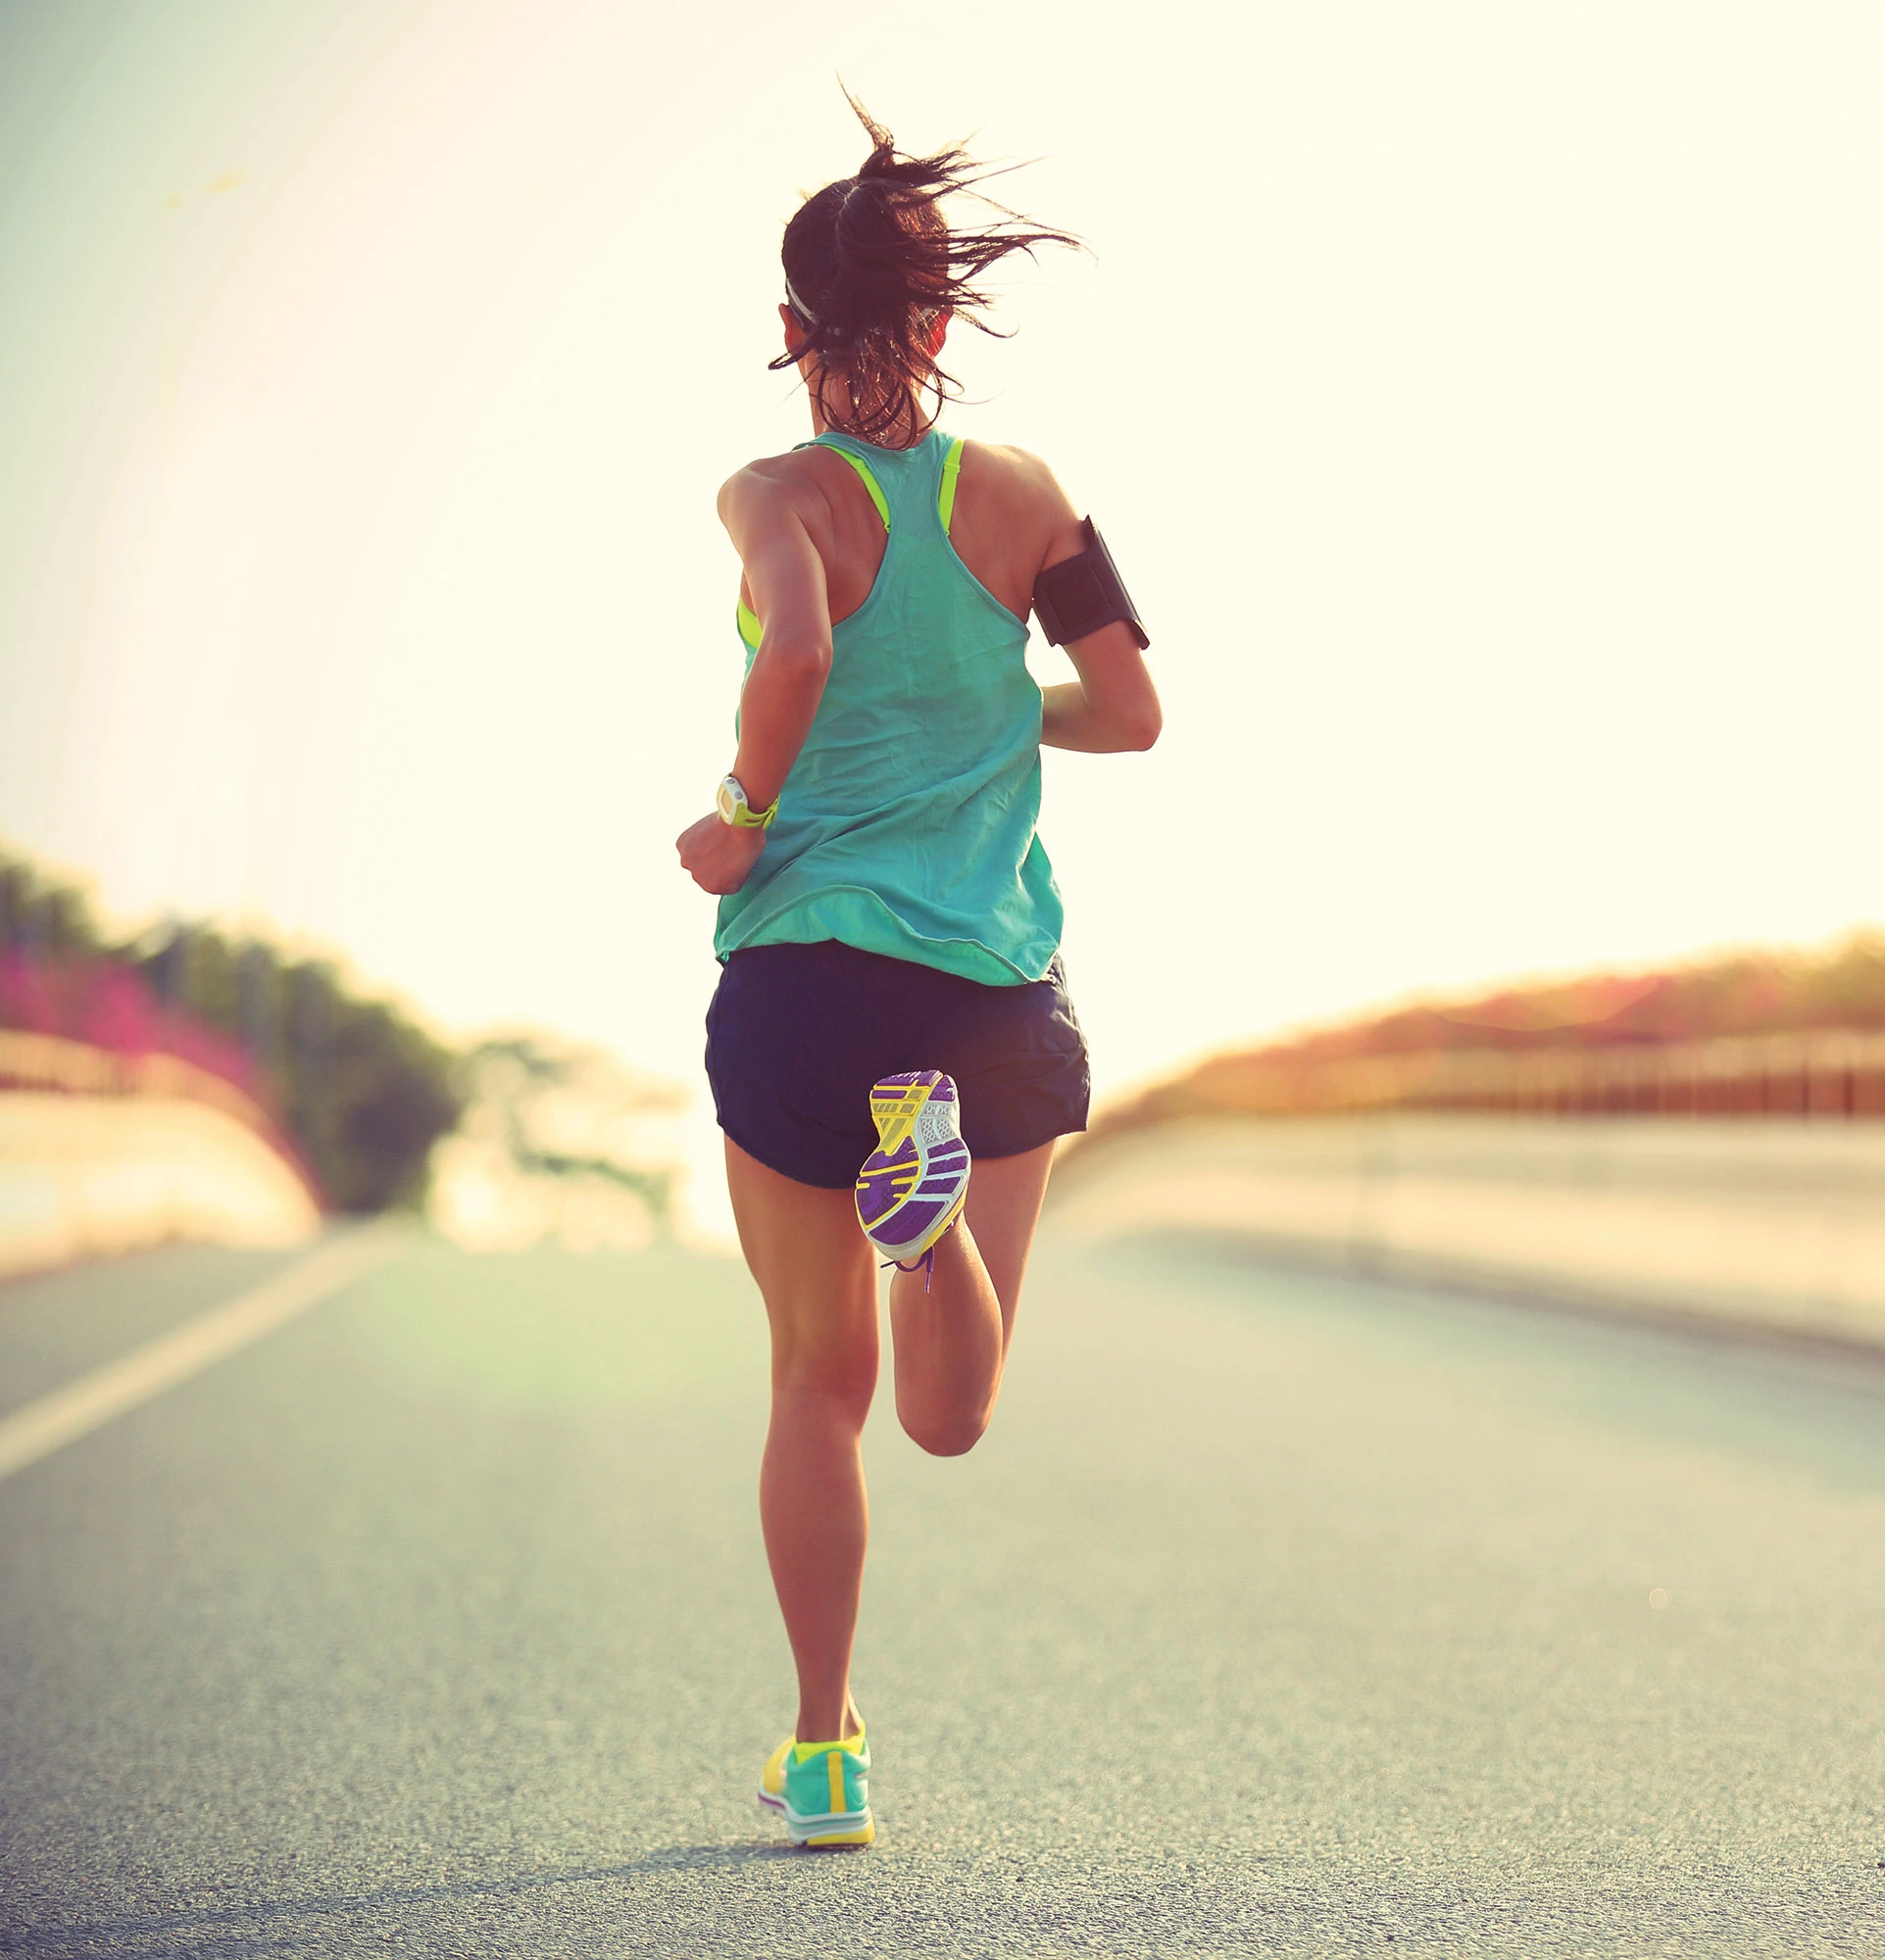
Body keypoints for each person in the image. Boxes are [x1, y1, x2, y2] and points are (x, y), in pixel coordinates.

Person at [674, 103, 1161, 1850]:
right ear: (947, 326)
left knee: (819, 1386)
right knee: (953, 1412)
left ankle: (823, 1752)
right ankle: (931, 1221)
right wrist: (987, 709)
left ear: (792, 332)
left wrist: (740, 813)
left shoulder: (772, 492)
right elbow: (1134, 713)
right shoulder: (1025, 496)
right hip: (987, 996)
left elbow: (797, 643)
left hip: (808, 977)